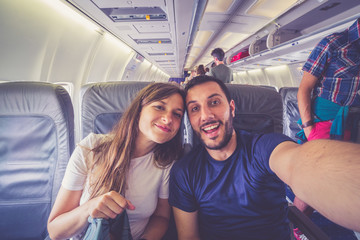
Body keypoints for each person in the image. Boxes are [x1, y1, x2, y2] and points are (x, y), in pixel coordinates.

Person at [169, 75, 360, 240]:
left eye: (214, 102)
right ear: (190, 120)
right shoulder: (184, 171)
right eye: (195, 109)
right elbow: (189, 236)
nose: (206, 115)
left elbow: (299, 163)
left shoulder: (263, 147)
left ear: (232, 108)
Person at [47, 83, 186, 240]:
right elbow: (54, 230)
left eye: (177, 114)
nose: (168, 119)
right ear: (139, 109)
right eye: (160, 107)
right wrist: (89, 208)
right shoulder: (92, 147)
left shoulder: (166, 162)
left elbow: (161, 217)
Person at [294, 17, 360, 236]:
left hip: (355, 121)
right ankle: (295, 228)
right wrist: (308, 129)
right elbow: (304, 89)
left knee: (351, 178)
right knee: (312, 178)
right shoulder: (333, 43)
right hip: (326, 121)